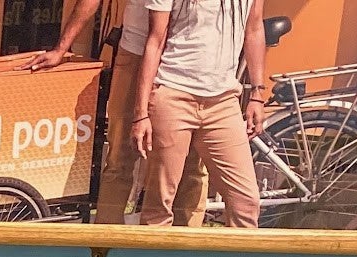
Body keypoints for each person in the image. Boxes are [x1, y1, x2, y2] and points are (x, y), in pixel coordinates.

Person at [31, 0, 206, 226]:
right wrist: (61, 49)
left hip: (192, 67)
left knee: (193, 165)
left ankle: (190, 251)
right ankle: (106, 246)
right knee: (120, 158)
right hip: (137, 53)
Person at [131, 0, 266, 229]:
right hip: (173, 93)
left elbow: (254, 29)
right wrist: (141, 112)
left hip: (223, 100)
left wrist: (257, 92)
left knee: (246, 201)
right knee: (160, 202)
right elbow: (155, 40)